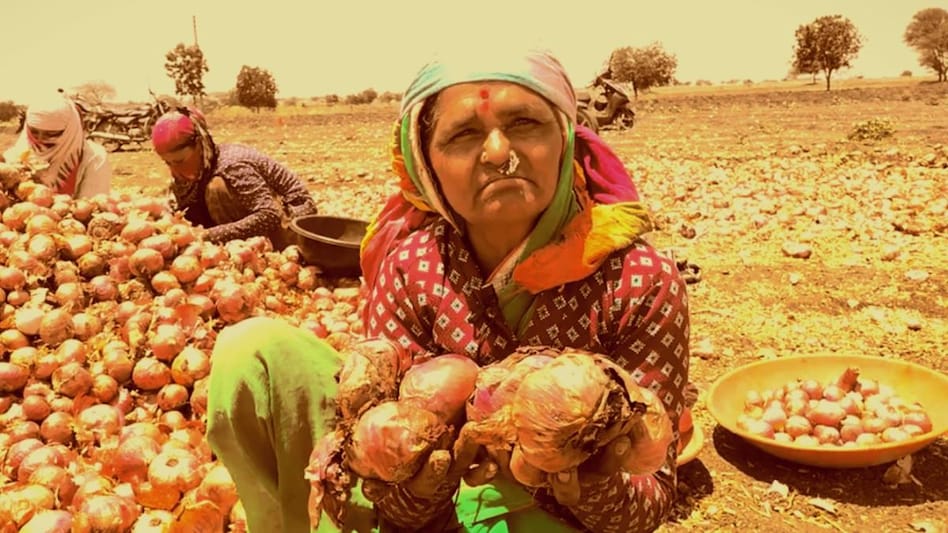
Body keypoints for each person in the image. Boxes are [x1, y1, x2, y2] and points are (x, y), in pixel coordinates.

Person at [206, 48, 691, 533]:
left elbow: (648, 502)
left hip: (556, 518)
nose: (499, 152)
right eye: (463, 134)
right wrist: (420, 488)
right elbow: (392, 494)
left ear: (564, 140)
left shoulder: (639, 279)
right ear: (425, 165)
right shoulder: (410, 268)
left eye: (525, 123)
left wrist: (582, 477)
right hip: (437, 514)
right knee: (251, 352)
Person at [150, 108, 319, 248]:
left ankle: (262, 252)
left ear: (200, 145)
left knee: (216, 189)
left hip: (293, 222)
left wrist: (210, 235)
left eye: (180, 161)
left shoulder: (232, 165)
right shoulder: (199, 166)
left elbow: (269, 215)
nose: (175, 169)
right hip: (266, 216)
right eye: (168, 163)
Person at [1, 91, 111, 198]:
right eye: (34, 132)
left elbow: (92, 205)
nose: (40, 139)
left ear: (69, 130)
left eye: (51, 134)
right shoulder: (15, 157)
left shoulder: (93, 158)